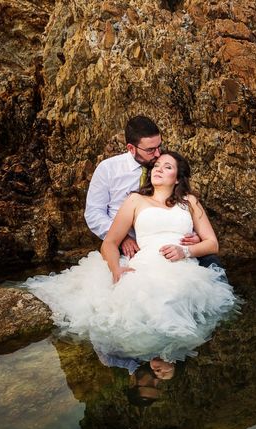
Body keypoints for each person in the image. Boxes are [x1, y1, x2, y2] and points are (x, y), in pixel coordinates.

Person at [26, 151, 237, 362]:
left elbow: (212, 244)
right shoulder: (136, 200)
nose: (159, 169)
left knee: (175, 299)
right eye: (157, 166)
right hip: (145, 264)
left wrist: (186, 251)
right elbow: (109, 243)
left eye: (167, 167)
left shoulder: (189, 202)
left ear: (178, 178)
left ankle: (166, 356)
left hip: (182, 265)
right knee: (137, 306)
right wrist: (116, 269)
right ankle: (150, 356)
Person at [85, 116, 222, 269]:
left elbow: (180, 208)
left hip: (176, 246)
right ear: (131, 148)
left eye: (159, 146)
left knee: (212, 265)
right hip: (129, 244)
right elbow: (94, 213)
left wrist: (194, 238)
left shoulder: (162, 165)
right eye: (151, 150)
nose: (157, 154)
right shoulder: (109, 169)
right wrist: (122, 237)